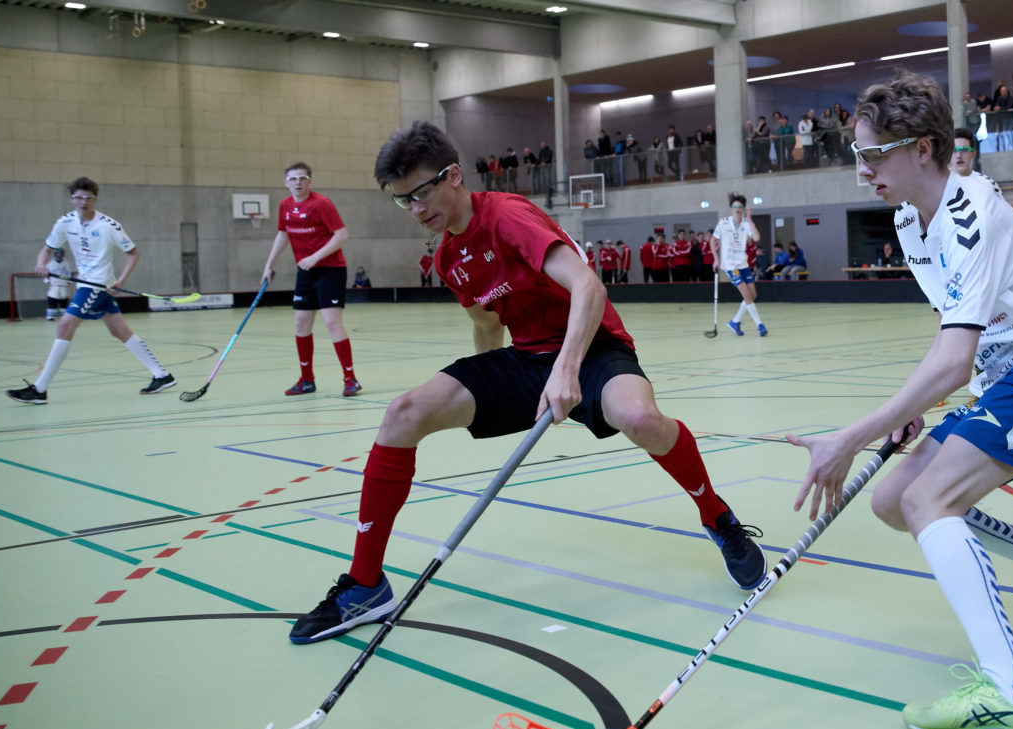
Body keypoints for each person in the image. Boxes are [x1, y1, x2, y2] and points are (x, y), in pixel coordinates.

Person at [287, 121, 768, 644]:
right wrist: (487, 396)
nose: (416, 209)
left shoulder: (509, 215)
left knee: (640, 418)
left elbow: (588, 285)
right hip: (526, 358)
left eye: (422, 193)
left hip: (592, 349)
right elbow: (487, 326)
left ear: (452, 176)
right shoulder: (448, 255)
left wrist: (566, 368)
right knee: (403, 414)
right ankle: (364, 585)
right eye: (403, 201)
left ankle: (718, 517)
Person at [790, 70, 1013, 729]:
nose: (862, 171)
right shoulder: (912, 222)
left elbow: (954, 358)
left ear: (922, 150)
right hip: (1004, 378)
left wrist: (852, 435)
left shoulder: (973, 216)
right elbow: (955, 336)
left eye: (873, 155)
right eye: (859, 155)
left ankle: (1011, 689)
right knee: (890, 500)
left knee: (927, 500)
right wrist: (914, 404)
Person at [7, 177, 175, 404]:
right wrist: (41, 264)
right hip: (85, 283)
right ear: (72, 199)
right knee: (120, 331)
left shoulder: (108, 226)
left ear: (95, 199)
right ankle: (162, 375)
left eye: (88, 198)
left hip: (97, 284)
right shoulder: (65, 223)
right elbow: (47, 249)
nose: (83, 202)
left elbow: (133, 253)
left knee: (65, 326)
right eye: (78, 197)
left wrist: (120, 280)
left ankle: (40, 389)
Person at [262, 162, 362, 397]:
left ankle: (350, 379)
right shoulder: (285, 206)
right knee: (301, 324)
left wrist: (315, 257)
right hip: (305, 270)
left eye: (303, 178)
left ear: (309, 181)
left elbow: (342, 235)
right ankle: (306, 380)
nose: (298, 182)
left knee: (331, 323)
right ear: (286, 182)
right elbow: (282, 234)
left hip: (330, 269)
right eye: (293, 178)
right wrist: (269, 265)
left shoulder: (321, 204)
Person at [709, 192, 765, 336]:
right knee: (746, 294)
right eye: (735, 207)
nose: (737, 209)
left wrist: (751, 221)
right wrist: (716, 259)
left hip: (743, 264)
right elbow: (712, 241)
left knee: (752, 295)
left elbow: (757, 237)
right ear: (731, 208)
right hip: (730, 265)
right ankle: (760, 325)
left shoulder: (746, 224)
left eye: (740, 207)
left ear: (743, 209)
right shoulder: (723, 223)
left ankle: (735, 322)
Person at [43, 246, 72, 321]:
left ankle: (64, 315)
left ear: (63, 254)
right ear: (55, 254)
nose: (59, 255)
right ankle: (51, 316)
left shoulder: (67, 263)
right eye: (57, 254)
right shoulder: (50, 263)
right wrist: (47, 281)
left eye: (60, 254)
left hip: (63, 285)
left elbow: (69, 273)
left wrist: (69, 281)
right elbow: (45, 274)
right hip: (54, 285)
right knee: (52, 299)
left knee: (64, 299)